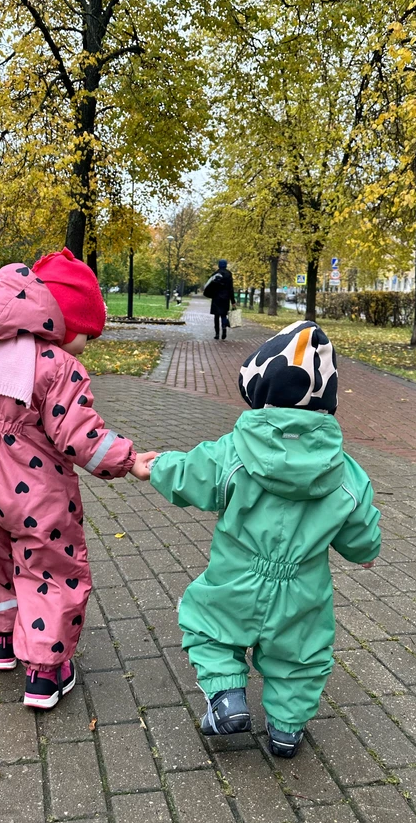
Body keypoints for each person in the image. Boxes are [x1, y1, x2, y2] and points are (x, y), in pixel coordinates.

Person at [0, 251, 155, 710]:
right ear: (60, 321)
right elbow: (79, 435)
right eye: (87, 333)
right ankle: (45, 673)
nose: (86, 344)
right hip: (35, 492)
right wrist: (128, 460)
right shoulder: (55, 365)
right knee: (49, 569)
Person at [147, 320, 381, 757]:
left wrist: (155, 465)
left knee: (209, 629)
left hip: (235, 577)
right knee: (300, 658)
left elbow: (192, 474)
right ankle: (286, 730)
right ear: (326, 405)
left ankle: (228, 700)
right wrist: (366, 552)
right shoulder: (346, 474)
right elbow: (360, 529)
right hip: (303, 592)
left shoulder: (234, 452)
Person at [203, 259, 236, 340]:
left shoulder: (215, 274)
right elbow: (231, 289)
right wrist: (233, 301)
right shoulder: (229, 274)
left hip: (216, 297)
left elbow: (210, 286)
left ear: (219, 265)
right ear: (225, 265)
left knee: (216, 316)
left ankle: (217, 334)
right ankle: (224, 328)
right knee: (224, 315)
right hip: (225, 298)